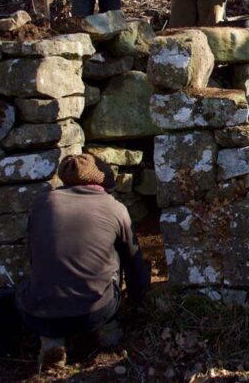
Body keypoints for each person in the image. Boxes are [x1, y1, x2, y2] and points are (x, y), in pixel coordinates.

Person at [16, 153, 150, 370]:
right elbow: (133, 260)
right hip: (95, 310)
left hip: (39, 312)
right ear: (101, 180)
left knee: (29, 283)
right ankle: (108, 331)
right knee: (113, 254)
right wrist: (139, 297)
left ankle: (52, 342)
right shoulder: (114, 208)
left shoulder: (41, 203)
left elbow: (33, 255)